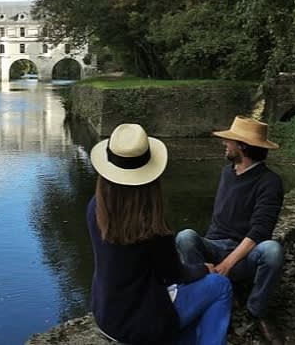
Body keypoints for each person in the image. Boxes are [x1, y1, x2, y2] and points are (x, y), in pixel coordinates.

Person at [87, 123, 232, 345]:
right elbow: (173, 274)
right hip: (139, 325)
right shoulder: (150, 224)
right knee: (220, 286)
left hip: (106, 315)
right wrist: (204, 268)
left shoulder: (96, 207)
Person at [176, 115, 284, 345]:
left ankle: (256, 310)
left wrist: (227, 264)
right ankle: (207, 294)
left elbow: (260, 231)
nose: (224, 143)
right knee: (185, 237)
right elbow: (219, 221)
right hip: (215, 247)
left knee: (273, 250)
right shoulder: (227, 172)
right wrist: (209, 256)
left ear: (242, 146)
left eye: (230, 140)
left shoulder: (270, 182)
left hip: (245, 256)